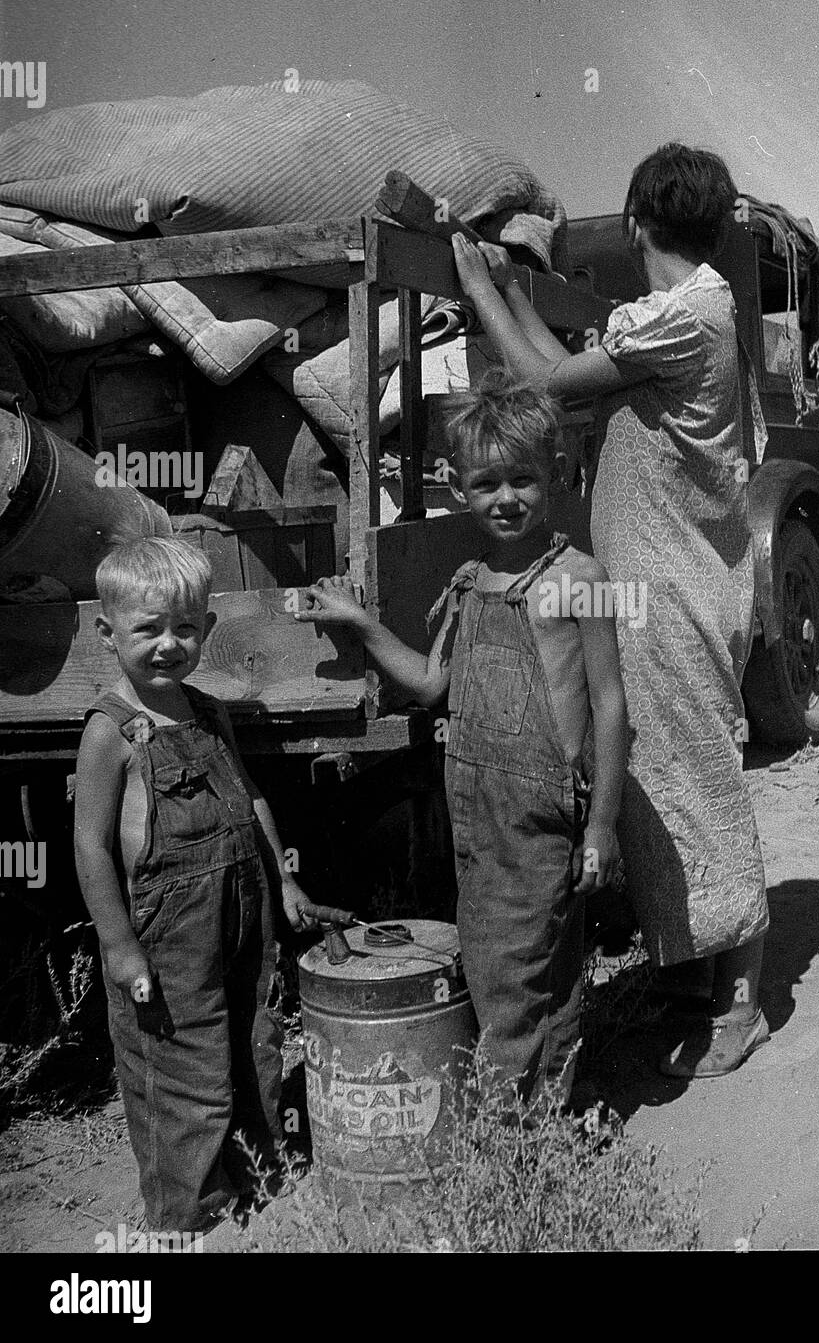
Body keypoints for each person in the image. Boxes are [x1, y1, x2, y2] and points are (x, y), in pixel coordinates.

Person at [449, 142, 769, 1078]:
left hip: (672, 593)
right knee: (652, 783)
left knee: (699, 784)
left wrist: (478, 290)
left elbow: (544, 385)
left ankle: (739, 1005)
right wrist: (509, 292)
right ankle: (682, 981)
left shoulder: (683, 313)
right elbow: (561, 367)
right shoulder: (679, 314)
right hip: (651, 593)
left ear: (635, 224)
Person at [296, 371, 630, 1106]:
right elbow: (429, 686)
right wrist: (361, 626)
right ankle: (549, 1123)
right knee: (525, 965)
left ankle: (506, 1141)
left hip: (542, 808)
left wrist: (602, 822)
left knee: (512, 974)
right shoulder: (469, 580)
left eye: (523, 480)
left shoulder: (579, 577)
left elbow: (610, 706)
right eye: (486, 484)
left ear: (555, 476)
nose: (505, 498)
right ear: (457, 487)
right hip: (477, 807)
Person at [73, 536, 345, 1234]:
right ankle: (186, 1216)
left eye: (185, 628)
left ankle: (259, 1172)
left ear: (207, 630)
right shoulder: (111, 732)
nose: (169, 644)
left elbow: (249, 797)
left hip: (240, 905)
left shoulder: (208, 710)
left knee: (252, 1042)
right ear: (107, 634)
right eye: (148, 629)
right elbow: (90, 846)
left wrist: (283, 881)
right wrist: (117, 945)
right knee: (179, 1069)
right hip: (164, 930)